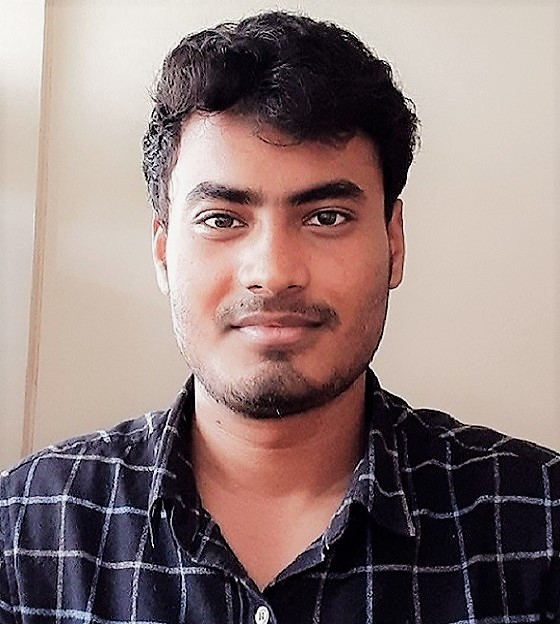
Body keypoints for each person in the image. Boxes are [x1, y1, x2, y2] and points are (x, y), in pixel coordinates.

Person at [1, 10, 558, 624]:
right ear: (162, 252)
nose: (273, 271)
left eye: (326, 217)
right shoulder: (26, 531)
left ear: (394, 243)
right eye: (221, 219)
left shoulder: (538, 522)